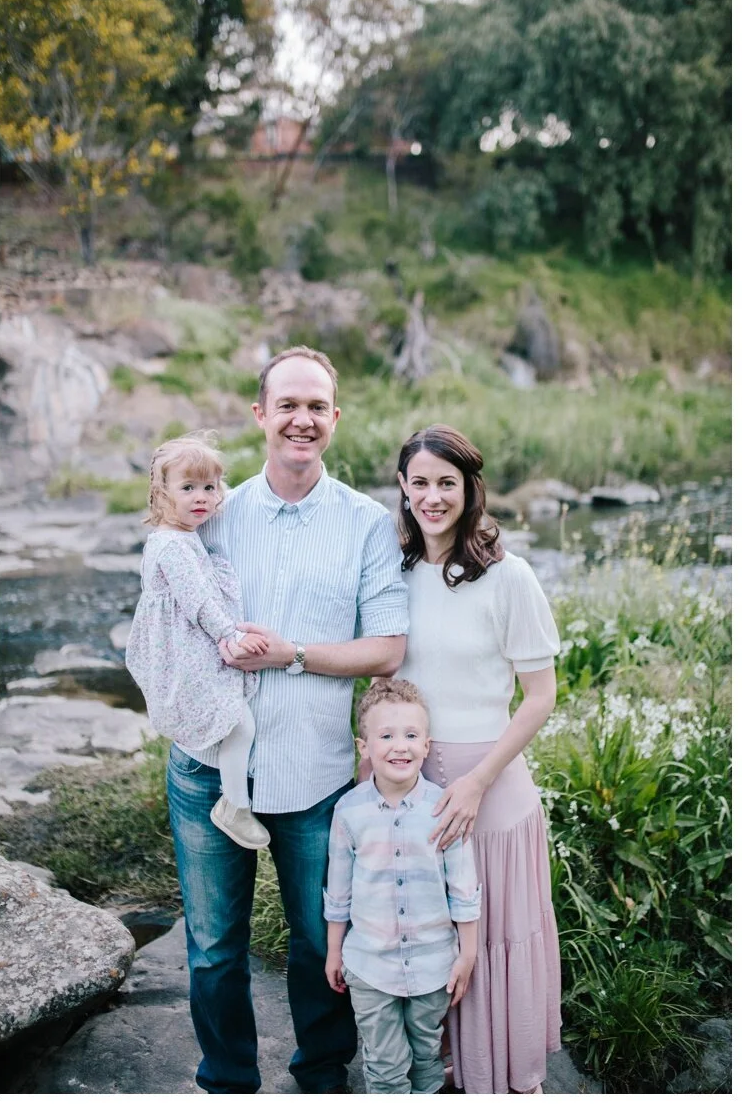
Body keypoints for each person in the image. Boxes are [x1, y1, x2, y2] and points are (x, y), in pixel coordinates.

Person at [183, 345, 409, 1093]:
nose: (301, 419)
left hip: (313, 775)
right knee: (215, 946)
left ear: (335, 419)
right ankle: (228, 1078)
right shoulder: (211, 515)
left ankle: (320, 1074)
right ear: (260, 415)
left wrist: (292, 655)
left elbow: (388, 647)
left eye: (316, 406)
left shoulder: (369, 524)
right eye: (288, 404)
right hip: (208, 770)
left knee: (319, 940)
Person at [391, 424, 561, 1094]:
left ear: (469, 490)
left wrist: (476, 781)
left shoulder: (508, 576)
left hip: (489, 789)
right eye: (420, 482)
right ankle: (440, 1069)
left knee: (491, 939)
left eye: (446, 483)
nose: (433, 496)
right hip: (411, 785)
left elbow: (540, 697)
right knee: (427, 934)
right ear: (403, 489)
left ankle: (505, 1074)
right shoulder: (394, 572)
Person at [324, 678, 481, 1095]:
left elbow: (463, 889)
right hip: (370, 967)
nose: (400, 746)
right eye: (387, 735)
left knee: (427, 1053)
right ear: (364, 747)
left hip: (433, 968)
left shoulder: (444, 808)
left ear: (426, 745)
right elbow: (339, 893)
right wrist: (335, 951)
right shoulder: (349, 812)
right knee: (385, 1062)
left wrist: (467, 954)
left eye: (411, 735)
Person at [126, 431, 270, 848]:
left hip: (194, 648)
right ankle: (234, 806)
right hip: (184, 653)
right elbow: (197, 600)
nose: (201, 497)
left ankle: (235, 800)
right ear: (161, 492)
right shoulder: (171, 545)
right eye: (188, 488)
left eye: (209, 487)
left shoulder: (188, 536)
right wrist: (230, 634)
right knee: (239, 724)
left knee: (238, 721)